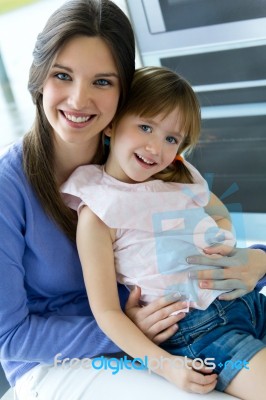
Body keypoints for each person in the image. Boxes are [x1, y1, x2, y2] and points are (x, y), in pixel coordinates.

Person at [0, 0, 265, 399]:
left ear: (126, 91)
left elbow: (200, 234)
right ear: (38, 78)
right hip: (59, 361)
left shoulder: (145, 162)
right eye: (62, 75)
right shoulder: (11, 189)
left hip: (178, 323)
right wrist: (131, 330)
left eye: (102, 81)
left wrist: (258, 260)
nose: (78, 100)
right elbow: (11, 337)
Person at [61, 66, 266, 400]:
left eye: (171, 139)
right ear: (111, 123)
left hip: (246, 300)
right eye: (145, 127)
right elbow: (107, 312)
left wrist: (223, 237)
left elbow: (216, 209)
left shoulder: (178, 177)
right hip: (199, 330)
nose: (156, 148)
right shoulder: (98, 211)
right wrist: (166, 365)